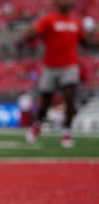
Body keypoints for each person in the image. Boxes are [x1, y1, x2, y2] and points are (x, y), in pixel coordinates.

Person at [19, 0, 99, 148]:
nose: (69, 3)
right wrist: (29, 33)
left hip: (70, 66)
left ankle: (67, 133)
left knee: (70, 100)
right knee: (45, 103)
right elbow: (32, 34)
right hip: (50, 67)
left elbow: (85, 42)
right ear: (57, 3)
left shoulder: (76, 21)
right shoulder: (49, 19)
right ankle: (37, 125)